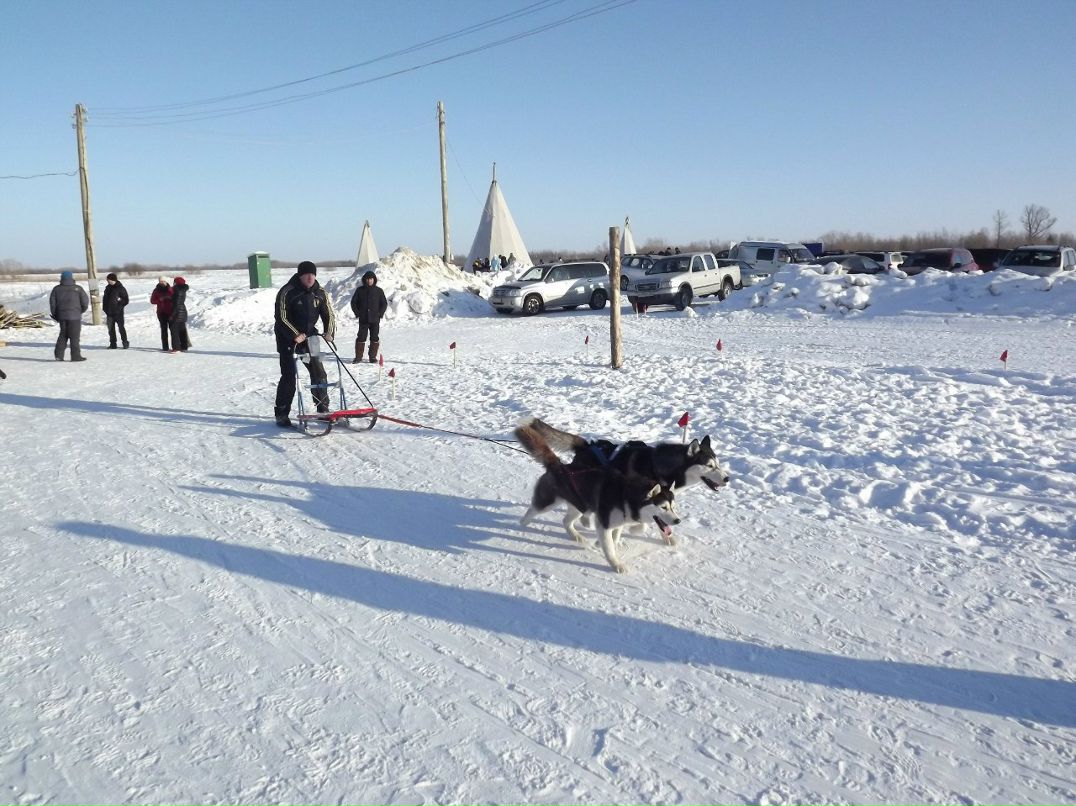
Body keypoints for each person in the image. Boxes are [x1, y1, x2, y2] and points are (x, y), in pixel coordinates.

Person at [273, 260, 337, 427]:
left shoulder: (320, 292)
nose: (310, 278)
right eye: (306, 275)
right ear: (300, 276)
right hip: (288, 338)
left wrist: (329, 332)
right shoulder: (287, 292)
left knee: (319, 372)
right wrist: (295, 334)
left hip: (310, 337)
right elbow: (282, 317)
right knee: (289, 377)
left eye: (313, 274)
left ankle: (323, 409)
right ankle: (281, 413)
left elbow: (329, 314)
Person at [49, 270, 89, 361]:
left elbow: (52, 304)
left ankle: (59, 355)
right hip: (75, 317)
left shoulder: (56, 289)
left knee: (63, 335)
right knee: (74, 336)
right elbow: (85, 302)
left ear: (62, 278)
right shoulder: (78, 288)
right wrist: (80, 311)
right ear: (71, 277)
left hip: (62, 316)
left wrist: (56, 315)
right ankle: (75, 356)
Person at [349, 269, 387, 364]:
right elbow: (354, 302)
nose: (369, 281)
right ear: (364, 280)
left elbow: (384, 303)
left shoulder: (378, 291)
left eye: (371, 279)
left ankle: (372, 357)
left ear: (374, 280)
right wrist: (358, 313)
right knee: (361, 337)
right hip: (364, 319)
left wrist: (380, 314)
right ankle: (358, 357)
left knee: (374, 337)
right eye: (367, 279)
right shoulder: (359, 290)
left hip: (375, 319)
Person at [102, 272, 130, 349]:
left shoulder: (120, 288)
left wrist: (120, 301)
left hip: (118, 312)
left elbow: (126, 300)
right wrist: (105, 308)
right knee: (110, 329)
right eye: (107, 280)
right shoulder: (107, 288)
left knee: (121, 328)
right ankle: (113, 344)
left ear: (113, 280)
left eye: (109, 280)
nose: (108, 281)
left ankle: (125, 342)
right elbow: (105, 299)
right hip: (109, 312)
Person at [150, 276, 173, 351]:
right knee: (164, 330)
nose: (162, 282)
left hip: (170, 312)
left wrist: (170, 298)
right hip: (161, 312)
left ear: (166, 281)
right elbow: (152, 301)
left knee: (172, 329)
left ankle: (174, 346)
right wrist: (159, 300)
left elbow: (175, 298)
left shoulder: (171, 289)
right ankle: (165, 347)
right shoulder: (156, 290)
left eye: (163, 281)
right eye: (160, 281)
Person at [168, 277, 190, 352]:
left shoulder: (177, 290)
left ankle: (176, 348)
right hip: (182, 312)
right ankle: (184, 346)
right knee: (182, 330)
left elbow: (176, 304)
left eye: (174, 282)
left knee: (174, 331)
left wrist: (172, 315)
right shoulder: (183, 290)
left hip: (177, 313)